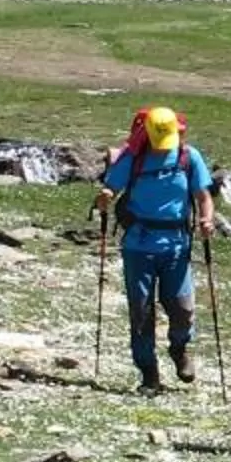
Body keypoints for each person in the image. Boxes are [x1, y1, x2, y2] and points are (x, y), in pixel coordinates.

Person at [93, 107, 217, 393]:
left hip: (177, 245)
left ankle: (179, 349)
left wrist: (207, 218)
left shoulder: (189, 157)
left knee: (182, 308)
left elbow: (203, 196)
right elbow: (112, 187)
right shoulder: (133, 158)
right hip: (138, 245)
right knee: (141, 309)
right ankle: (148, 372)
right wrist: (106, 196)